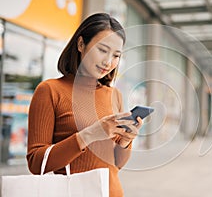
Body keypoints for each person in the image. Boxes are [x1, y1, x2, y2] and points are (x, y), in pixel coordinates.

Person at [26, 13, 143, 197]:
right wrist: (89, 135)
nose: (108, 61)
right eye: (102, 50)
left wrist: (126, 140)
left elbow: (116, 163)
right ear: (81, 44)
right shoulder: (50, 90)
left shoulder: (115, 95)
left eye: (116, 55)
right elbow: (35, 163)